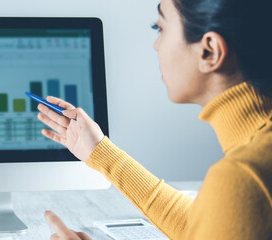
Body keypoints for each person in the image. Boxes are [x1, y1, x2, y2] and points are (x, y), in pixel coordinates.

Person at [37, 0, 272, 239]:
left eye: (159, 28)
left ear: (209, 50)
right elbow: (205, 226)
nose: (156, 45)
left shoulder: (243, 178)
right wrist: (100, 152)